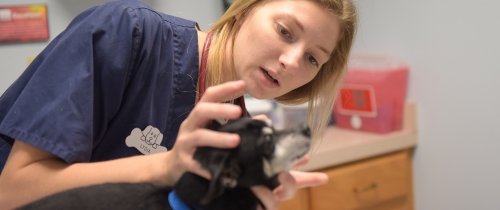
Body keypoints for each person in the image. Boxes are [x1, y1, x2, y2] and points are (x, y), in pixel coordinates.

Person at [0, 0, 357, 209]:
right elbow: (12, 190)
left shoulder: (232, 133)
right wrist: (167, 166)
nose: (293, 61)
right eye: (284, 31)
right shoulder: (127, 34)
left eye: (313, 58)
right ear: (246, 9)